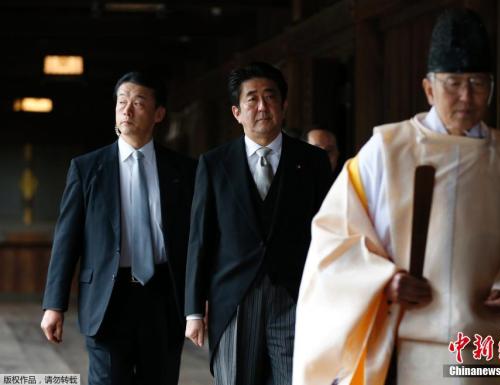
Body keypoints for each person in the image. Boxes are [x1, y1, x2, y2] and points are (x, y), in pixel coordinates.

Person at [293, 8, 500, 385]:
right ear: (429, 88)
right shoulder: (386, 149)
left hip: (486, 343)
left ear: (492, 88)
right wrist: (384, 281)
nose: (467, 95)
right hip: (408, 337)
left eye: (479, 82)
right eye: (453, 83)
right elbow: (333, 240)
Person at [40, 71, 197, 385]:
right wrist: (54, 304)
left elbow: (197, 240)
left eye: (138, 102)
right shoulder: (87, 169)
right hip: (107, 298)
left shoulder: (184, 170)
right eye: (121, 102)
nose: (126, 110)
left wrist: (198, 303)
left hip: (164, 298)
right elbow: (66, 239)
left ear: (159, 114)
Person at [184, 61, 332, 385]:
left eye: (270, 97)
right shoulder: (214, 164)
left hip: (295, 297)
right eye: (252, 99)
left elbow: (330, 234)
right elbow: (200, 239)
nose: (262, 106)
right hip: (234, 299)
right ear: (237, 112)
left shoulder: (313, 161)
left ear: (284, 105)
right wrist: (194, 310)